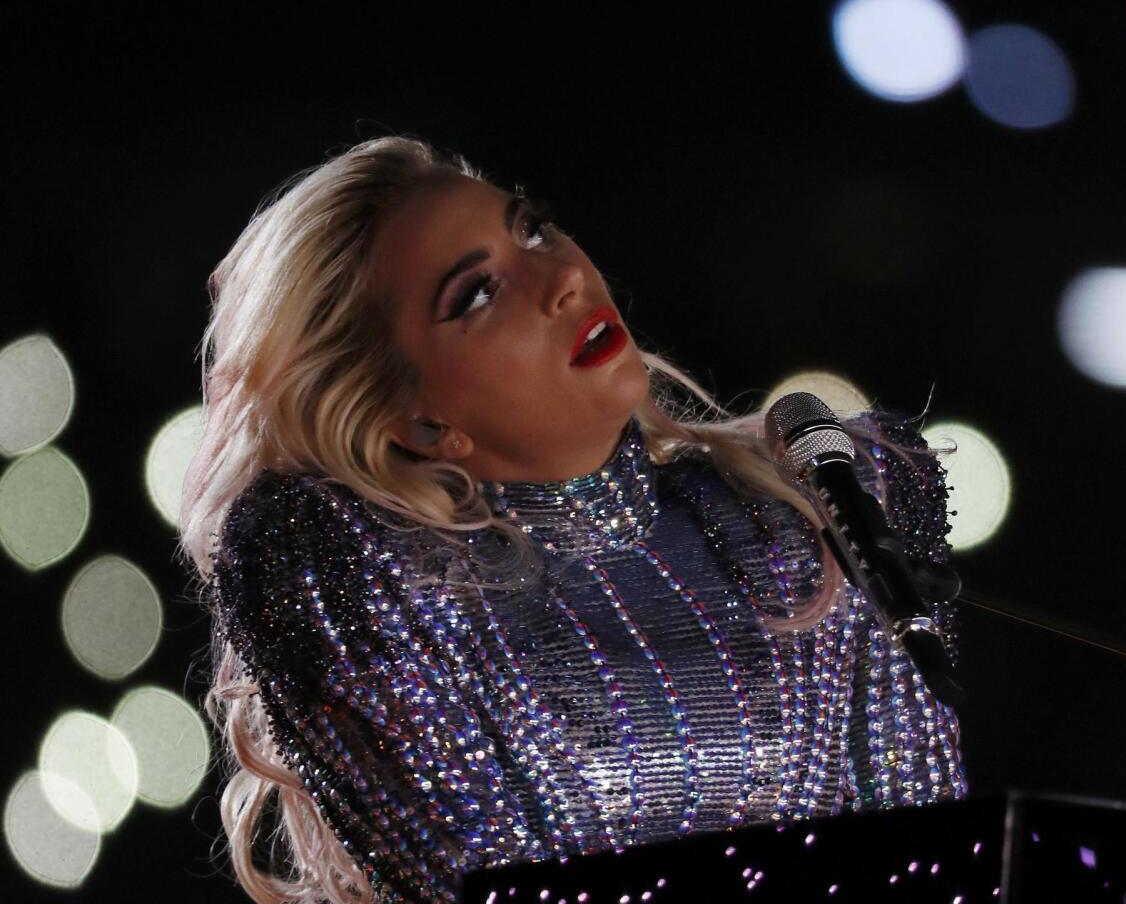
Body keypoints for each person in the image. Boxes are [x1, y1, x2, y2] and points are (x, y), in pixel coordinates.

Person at [179, 135, 967, 904]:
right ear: (418, 424)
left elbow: (931, 858)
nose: (559, 278)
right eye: (477, 294)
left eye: (531, 228)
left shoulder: (810, 514)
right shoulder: (360, 579)